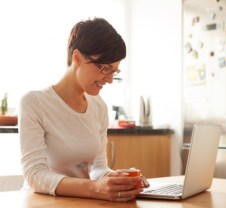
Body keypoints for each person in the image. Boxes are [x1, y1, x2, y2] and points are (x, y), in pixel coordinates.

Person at [19, 17, 147, 202]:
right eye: (105, 68)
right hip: (41, 203)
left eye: (114, 71)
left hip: (83, 202)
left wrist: (118, 180)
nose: (110, 79)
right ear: (77, 57)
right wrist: (95, 188)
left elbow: (98, 167)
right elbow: (35, 175)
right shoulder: (34, 102)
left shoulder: (99, 107)